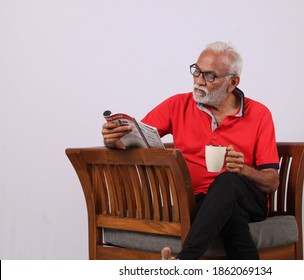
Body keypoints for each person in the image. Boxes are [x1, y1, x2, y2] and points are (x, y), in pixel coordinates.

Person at [101, 41, 280, 260]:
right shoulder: (177, 105)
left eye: (210, 76)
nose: (198, 81)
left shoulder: (259, 114)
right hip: (199, 202)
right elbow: (135, 139)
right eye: (196, 71)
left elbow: (272, 182)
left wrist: (243, 169)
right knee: (231, 216)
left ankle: (184, 263)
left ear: (233, 82)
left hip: (249, 199)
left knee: (227, 181)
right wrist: (113, 139)